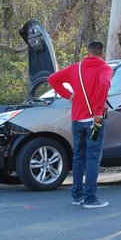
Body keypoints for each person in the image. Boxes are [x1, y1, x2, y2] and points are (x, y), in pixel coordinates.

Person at [48, 41, 113, 208]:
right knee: (92, 159)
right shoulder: (105, 68)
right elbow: (104, 85)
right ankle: (90, 198)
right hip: (94, 121)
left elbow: (52, 79)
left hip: (77, 119)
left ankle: (76, 196)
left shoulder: (75, 68)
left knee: (78, 158)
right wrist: (98, 111)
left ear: (87, 52)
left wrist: (68, 95)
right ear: (102, 54)